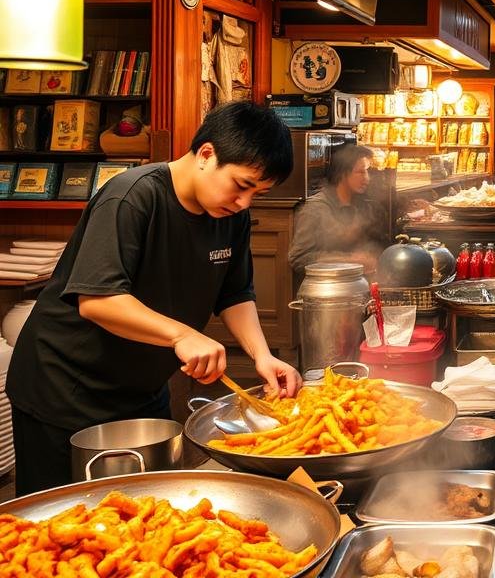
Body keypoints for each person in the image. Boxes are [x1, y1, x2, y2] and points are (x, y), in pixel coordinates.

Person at [7, 101, 303, 495]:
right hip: (65, 388)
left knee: (147, 507)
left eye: (257, 193)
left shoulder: (232, 216)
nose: (244, 202)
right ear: (207, 154)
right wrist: (182, 335)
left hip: (142, 389)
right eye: (242, 185)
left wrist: (261, 356)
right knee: (58, 516)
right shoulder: (133, 196)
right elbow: (98, 300)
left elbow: (235, 293)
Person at [288, 144, 384, 274]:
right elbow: (298, 259)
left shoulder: (362, 205)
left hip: (355, 280)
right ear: (343, 173)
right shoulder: (315, 208)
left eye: (367, 172)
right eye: (360, 172)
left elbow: (370, 246)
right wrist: (349, 260)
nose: (367, 178)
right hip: (325, 284)